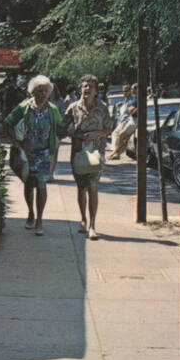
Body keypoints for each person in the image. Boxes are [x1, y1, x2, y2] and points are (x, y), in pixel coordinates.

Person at [4, 75, 62, 236]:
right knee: (29, 184)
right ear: (32, 92)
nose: (42, 94)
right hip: (27, 154)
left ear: (49, 93)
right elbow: (7, 123)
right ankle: (30, 213)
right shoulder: (24, 107)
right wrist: (16, 143)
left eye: (45, 91)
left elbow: (59, 129)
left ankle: (40, 220)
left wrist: (67, 129)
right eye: (39, 90)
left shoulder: (53, 110)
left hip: (44, 153)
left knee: (41, 184)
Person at [64, 74, 112, 240]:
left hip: (96, 153)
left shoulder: (103, 108)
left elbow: (109, 129)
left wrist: (96, 133)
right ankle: (83, 219)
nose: (87, 89)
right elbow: (62, 129)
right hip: (78, 153)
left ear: (96, 91)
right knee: (81, 188)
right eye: (85, 86)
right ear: (80, 88)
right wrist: (71, 131)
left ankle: (92, 225)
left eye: (91, 86)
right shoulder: (72, 108)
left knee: (92, 187)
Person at [107, 82, 137, 160]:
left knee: (121, 135)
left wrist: (131, 110)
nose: (124, 93)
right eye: (123, 91)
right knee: (116, 134)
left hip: (131, 120)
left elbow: (131, 111)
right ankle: (115, 152)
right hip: (126, 120)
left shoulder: (134, 98)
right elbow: (129, 110)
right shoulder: (127, 99)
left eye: (126, 91)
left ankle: (116, 153)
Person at [49, 83, 66, 180]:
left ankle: (51, 173)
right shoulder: (42, 101)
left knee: (54, 153)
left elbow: (63, 114)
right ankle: (47, 172)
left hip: (56, 131)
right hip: (45, 131)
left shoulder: (59, 102)